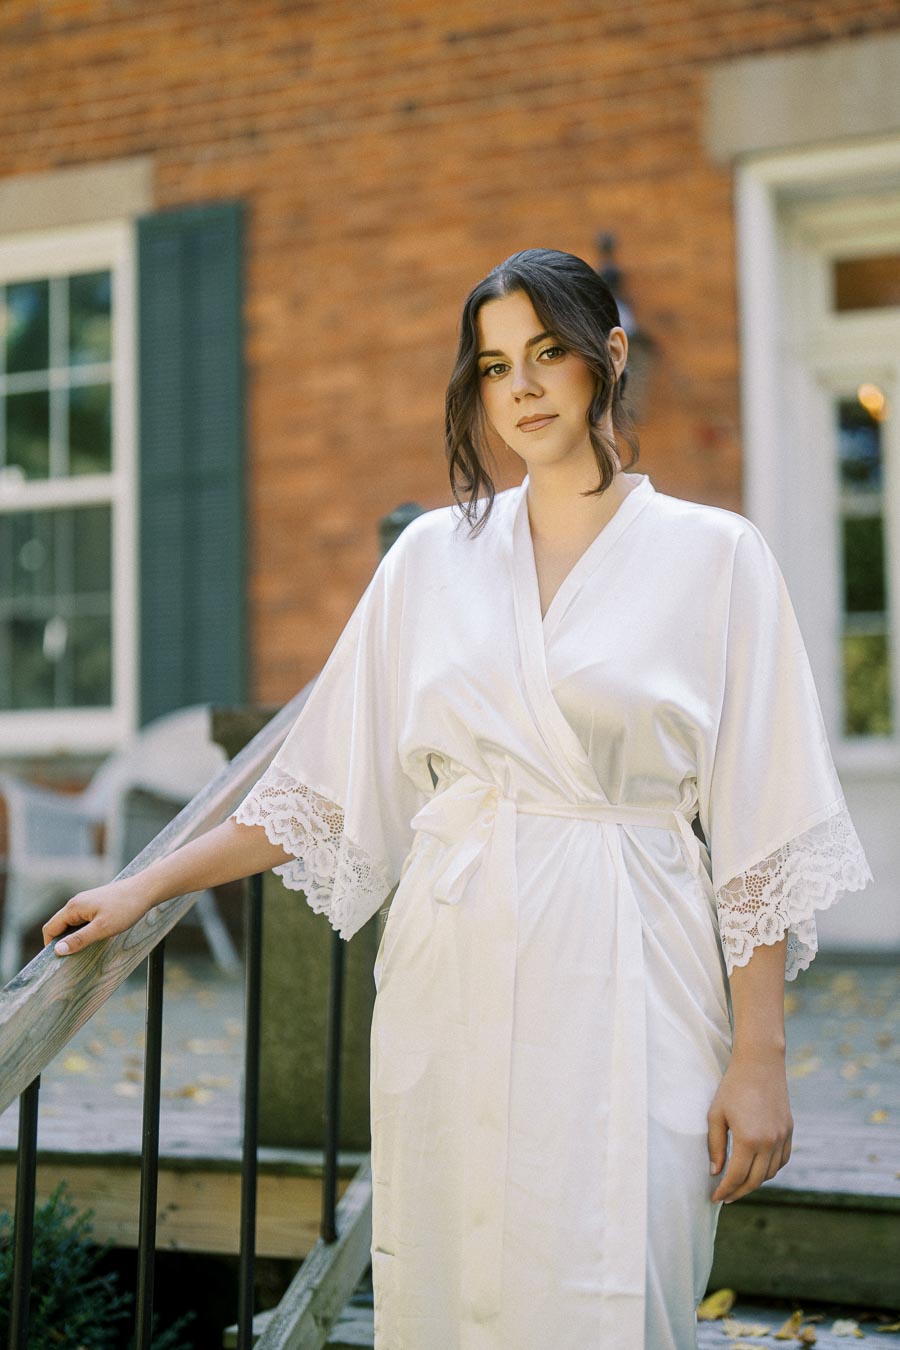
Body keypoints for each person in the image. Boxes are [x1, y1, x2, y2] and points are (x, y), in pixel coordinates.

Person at [43, 248, 874, 1350]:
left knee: (622, 1273)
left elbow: (764, 827)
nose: (521, 387)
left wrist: (759, 1058)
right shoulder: (432, 558)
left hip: (638, 957)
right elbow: (319, 787)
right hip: (451, 963)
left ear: (609, 356)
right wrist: (146, 886)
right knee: (458, 1271)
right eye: (493, 366)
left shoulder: (717, 557)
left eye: (547, 353)